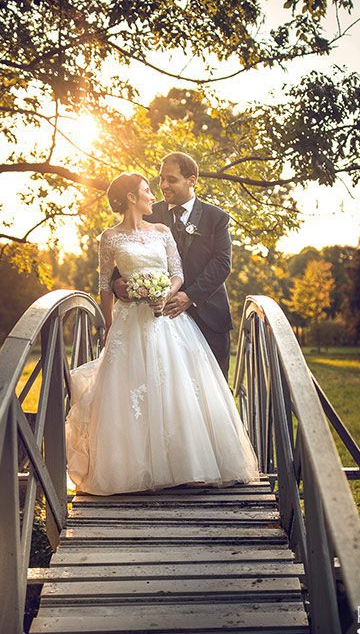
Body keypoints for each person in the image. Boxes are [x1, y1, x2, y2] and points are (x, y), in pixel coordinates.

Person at [64, 171, 260, 496]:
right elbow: (104, 283)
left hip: (167, 316)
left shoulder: (164, 229)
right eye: (146, 189)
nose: (153, 194)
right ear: (131, 197)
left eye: (163, 183)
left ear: (191, 179)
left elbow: (178, 271)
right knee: (129, 389)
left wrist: (165, 293)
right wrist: (112, 319)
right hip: (129, 322)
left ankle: (187, 465)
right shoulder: (110, 237)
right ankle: (130, 468)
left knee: (175, 387)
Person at [112, 152, 233, 377]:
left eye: (171, 180)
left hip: (208, 317)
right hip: (156, 321)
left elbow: (222, 263)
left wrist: (190, 296)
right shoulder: (147, 212)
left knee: (212, 392)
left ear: (192, 180)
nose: (164, 185)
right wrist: (116, 282)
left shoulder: (216, 218)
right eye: (161, 179)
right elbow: (127, 252)